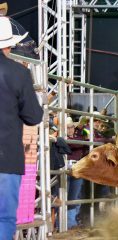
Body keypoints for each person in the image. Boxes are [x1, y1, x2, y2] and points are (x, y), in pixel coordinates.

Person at [0, 16, 43, 239]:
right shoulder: (19, 74)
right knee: (4, 218)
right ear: (9, 44)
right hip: (7, 158)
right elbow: (33, 116)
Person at [65, 117, 88, 229]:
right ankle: (68, 224)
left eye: (71, 127)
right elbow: (75, 145)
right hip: (66, 166)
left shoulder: (79, 137)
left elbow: (83, 144)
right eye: (67, 127)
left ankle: (72, 222)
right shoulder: (62, 139)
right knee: (66, 195)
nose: (70, 130)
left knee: (75, 196)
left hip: (77, 166)